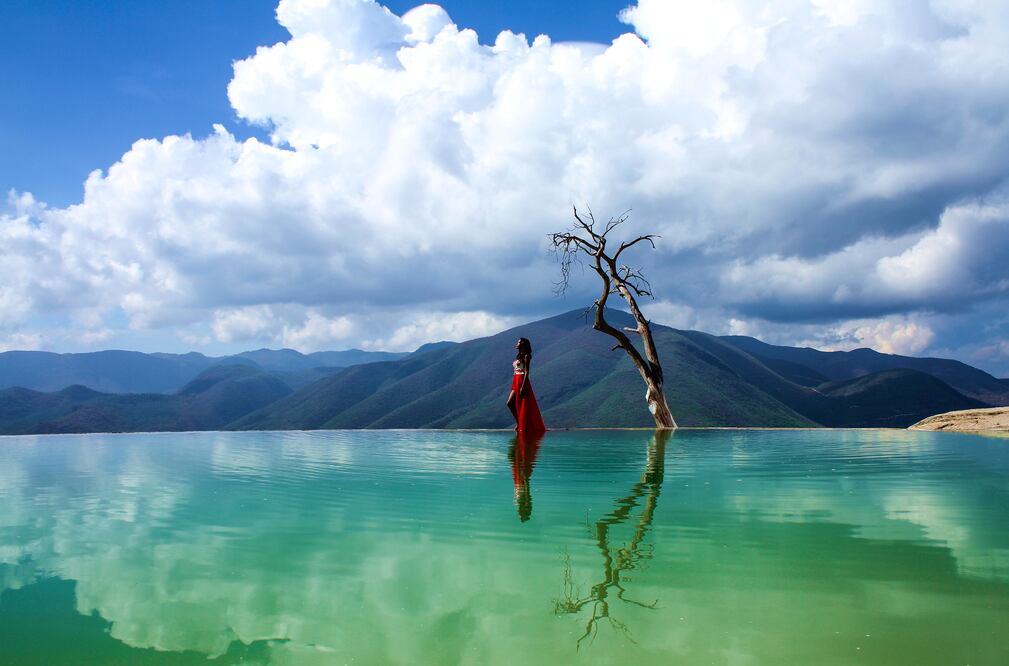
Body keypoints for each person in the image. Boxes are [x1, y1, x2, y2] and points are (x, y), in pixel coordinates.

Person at [506, 337, 546, 434]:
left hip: (521, 380)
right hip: (515, 380)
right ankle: (519, 422)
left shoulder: (527, 356)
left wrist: (523, 386)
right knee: (509, 403)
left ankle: (522, 424)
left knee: (522, 404)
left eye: (519, 342)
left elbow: (527, 371)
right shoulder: (519, 355)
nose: (517, 343)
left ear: (523, 344)